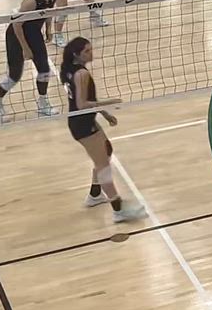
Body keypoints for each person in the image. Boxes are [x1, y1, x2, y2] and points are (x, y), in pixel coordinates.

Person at [60, 37, 147, 223]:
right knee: (103, 166)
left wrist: (104, 113)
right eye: (87, 51)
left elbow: (84, 101)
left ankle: (95, 194)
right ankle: (119, 210)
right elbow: (82, 104)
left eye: (91, 49)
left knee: (107, 150)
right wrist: (109, 102)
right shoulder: (82, 74)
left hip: (81, 121)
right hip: (83, 125)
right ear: (76, 54)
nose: (91, 53)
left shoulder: (68, 69)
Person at [0, 0, 59, 121]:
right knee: (15, 75)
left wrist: (49, 30)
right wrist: (25, 48)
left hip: (34, 34)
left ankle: (43, 103)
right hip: (16, 36)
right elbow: (17, 25)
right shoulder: (31, 1)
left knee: (44, 70)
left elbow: (48, 13)